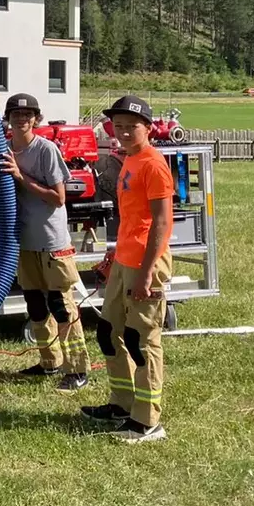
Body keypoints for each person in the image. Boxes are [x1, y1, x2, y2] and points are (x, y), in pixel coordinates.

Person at [81, 94, 173, 443]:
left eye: (130, 127)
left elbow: (162, 224)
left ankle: (147, 421)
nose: (122, 132)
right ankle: (121, 404)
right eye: (117, 126)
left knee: (140, 340)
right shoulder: (129, 160)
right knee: (108, 331)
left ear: (147, 128)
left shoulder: (152, 164)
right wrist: (114, 256)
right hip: (124, 261)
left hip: (146, 264)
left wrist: (147, 273)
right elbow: (133, 219)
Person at [0, 93, 91, 394]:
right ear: (8, 118)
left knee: (61, 305)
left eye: (27, 114)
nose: (21, 118)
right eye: (16, 113)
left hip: (52, 241)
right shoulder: (6, 149)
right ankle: (49, 361)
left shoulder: (45, 150)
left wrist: (21, 177)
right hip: (24, 240)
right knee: (36, 305)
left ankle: (78, 369)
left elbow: (58, 197)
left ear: (36, 119)